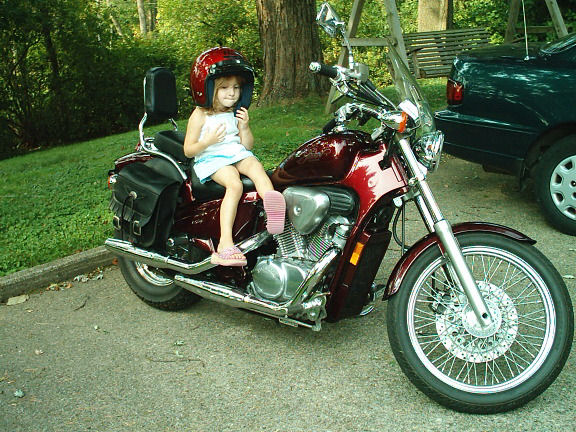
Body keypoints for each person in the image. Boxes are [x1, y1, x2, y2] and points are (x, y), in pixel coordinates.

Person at [184, 47, 285, 267]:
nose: (232, 93)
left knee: (256, 167)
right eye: (225, 88)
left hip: (235, 152)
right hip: (212, 158)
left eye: (237, 88)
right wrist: (207, 142)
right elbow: (189, 150)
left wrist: (245, 127)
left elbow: (246, 145)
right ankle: (225, 243)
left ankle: (273, 206)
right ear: (210, 89)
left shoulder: (234, 112)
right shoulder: (200, 114)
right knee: (235, 184)